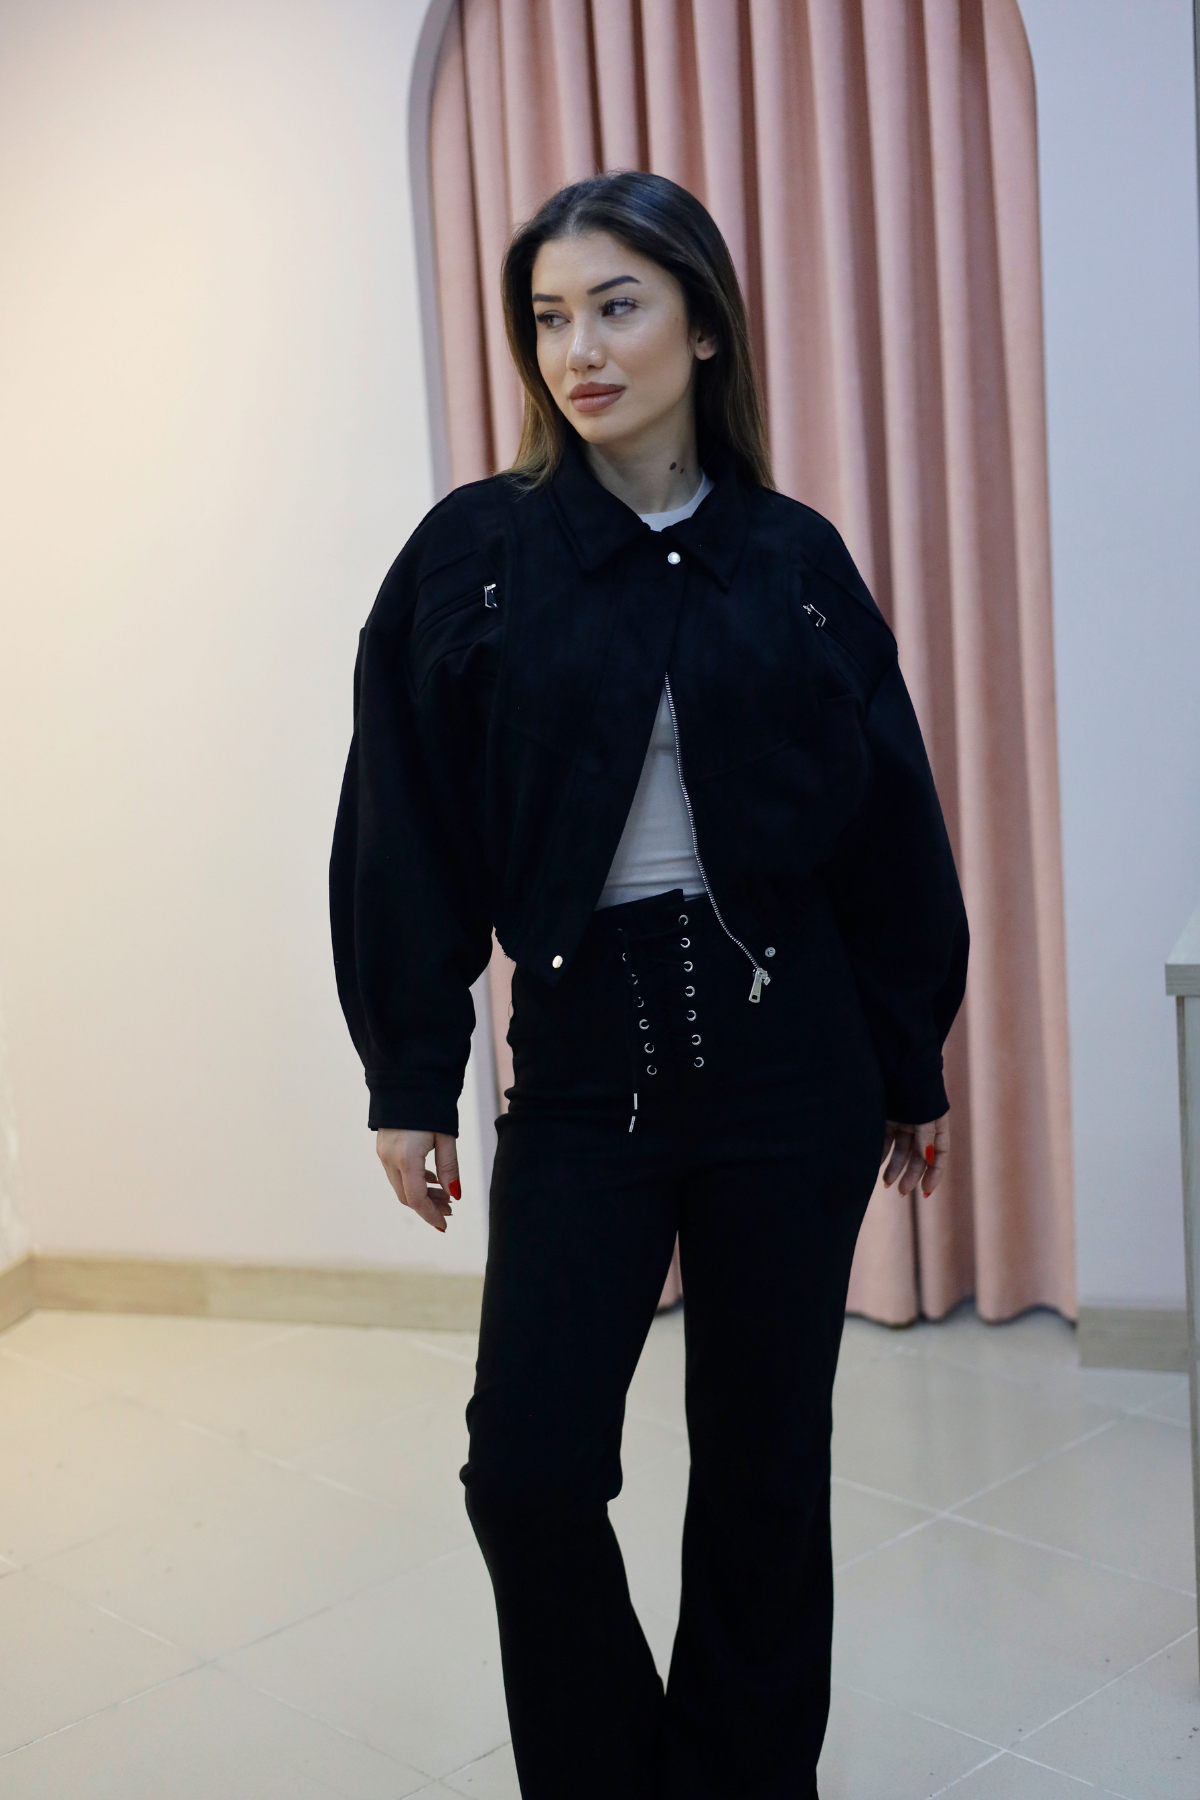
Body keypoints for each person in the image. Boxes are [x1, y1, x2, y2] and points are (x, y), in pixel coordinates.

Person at [330, 170, 967, 1800]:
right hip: (585, 1067)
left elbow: (889, 824)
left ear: (702, 326)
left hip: (792, 1070)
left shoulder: (790, 559)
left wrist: (910, 1058)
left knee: (765, 1470)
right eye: (551, 317)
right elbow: (401, 823)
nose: (581, 351)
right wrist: (410, 1073)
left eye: (618, 308)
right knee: (528, 1472)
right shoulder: (475, 557)